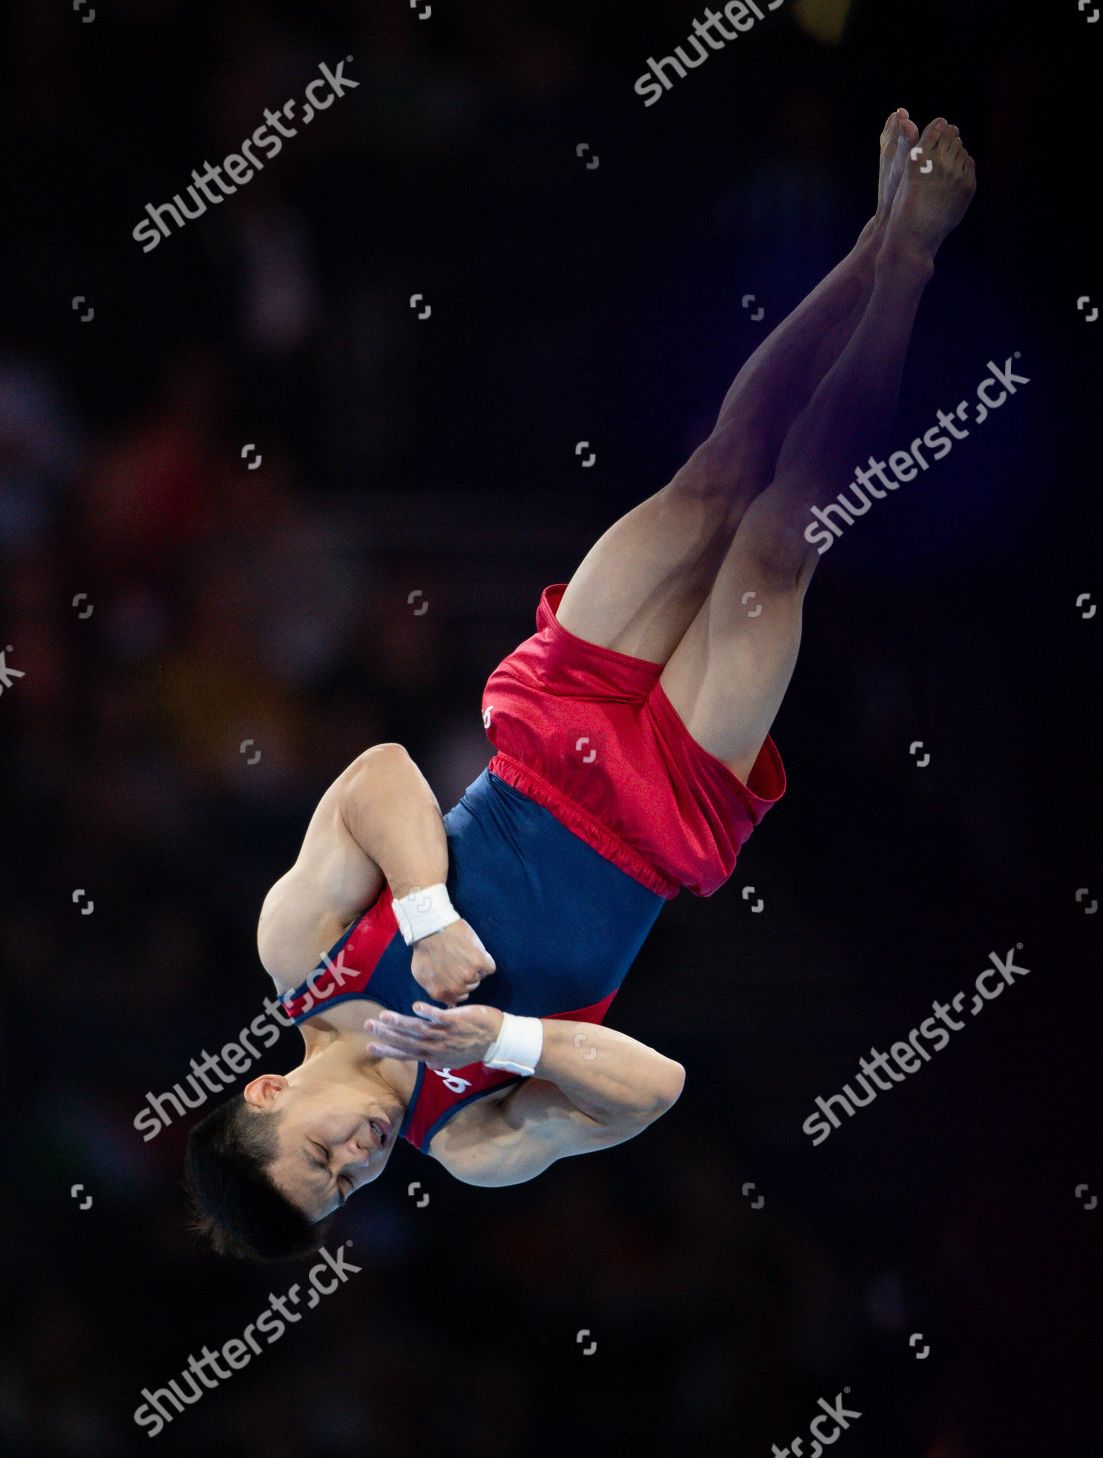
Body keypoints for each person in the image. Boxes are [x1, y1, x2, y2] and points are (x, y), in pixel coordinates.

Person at [185, 111, 975, 1260]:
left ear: (265, 1096)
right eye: (344, 1188)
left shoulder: (296, 949)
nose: (354, 1160)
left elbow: (377, 775)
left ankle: (870, 234)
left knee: (715, 479)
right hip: (659, 818)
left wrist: (424, 911)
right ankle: (912, 259)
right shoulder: (468, 1145)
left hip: (553, 733)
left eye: (318, 1157)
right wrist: (504, 1040)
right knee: (777, 546)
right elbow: (652, 1087)